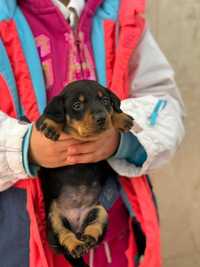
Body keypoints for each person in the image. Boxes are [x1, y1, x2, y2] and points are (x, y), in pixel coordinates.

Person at [0, 0, 185, 267]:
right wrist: (24, 147)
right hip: (18, 241)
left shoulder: (120, 13)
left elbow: (163, 104)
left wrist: (123, 140)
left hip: (114, 236)